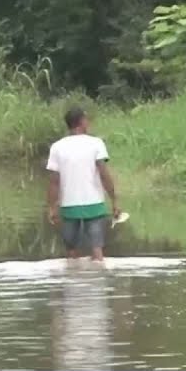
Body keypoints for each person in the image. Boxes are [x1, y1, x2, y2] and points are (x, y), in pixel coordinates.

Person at [46, 107, 120, 261]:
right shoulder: (96, 143)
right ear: (82, 122)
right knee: (97, 251)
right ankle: (97, 279)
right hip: (94, 204)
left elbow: (54, 181)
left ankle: (73, 283)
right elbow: (104, 174)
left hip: (68, 206)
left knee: (71, 253)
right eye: (86, 119)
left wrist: (52, 207)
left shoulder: (57, 147)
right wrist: (114, 200)